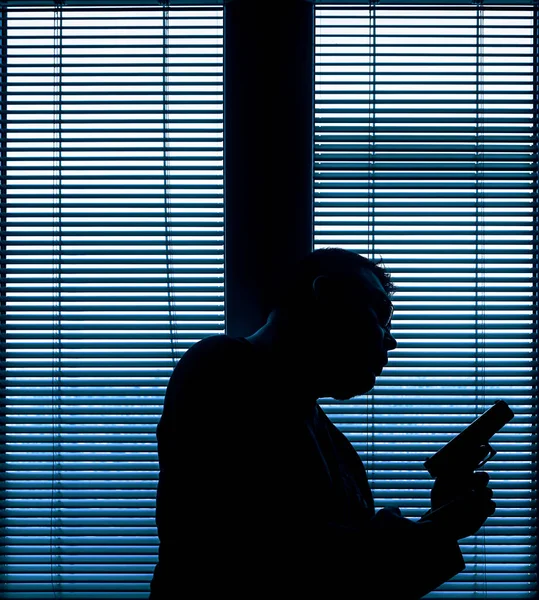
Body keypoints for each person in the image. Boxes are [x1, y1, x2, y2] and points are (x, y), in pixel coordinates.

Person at [149, 247, 495, 599]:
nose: (391, 339)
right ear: (326, 295)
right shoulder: (220, 369)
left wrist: (440, 518)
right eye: (381, 313)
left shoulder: (326, 433)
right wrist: (440, 527)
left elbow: (350, 575)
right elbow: (280, 558)